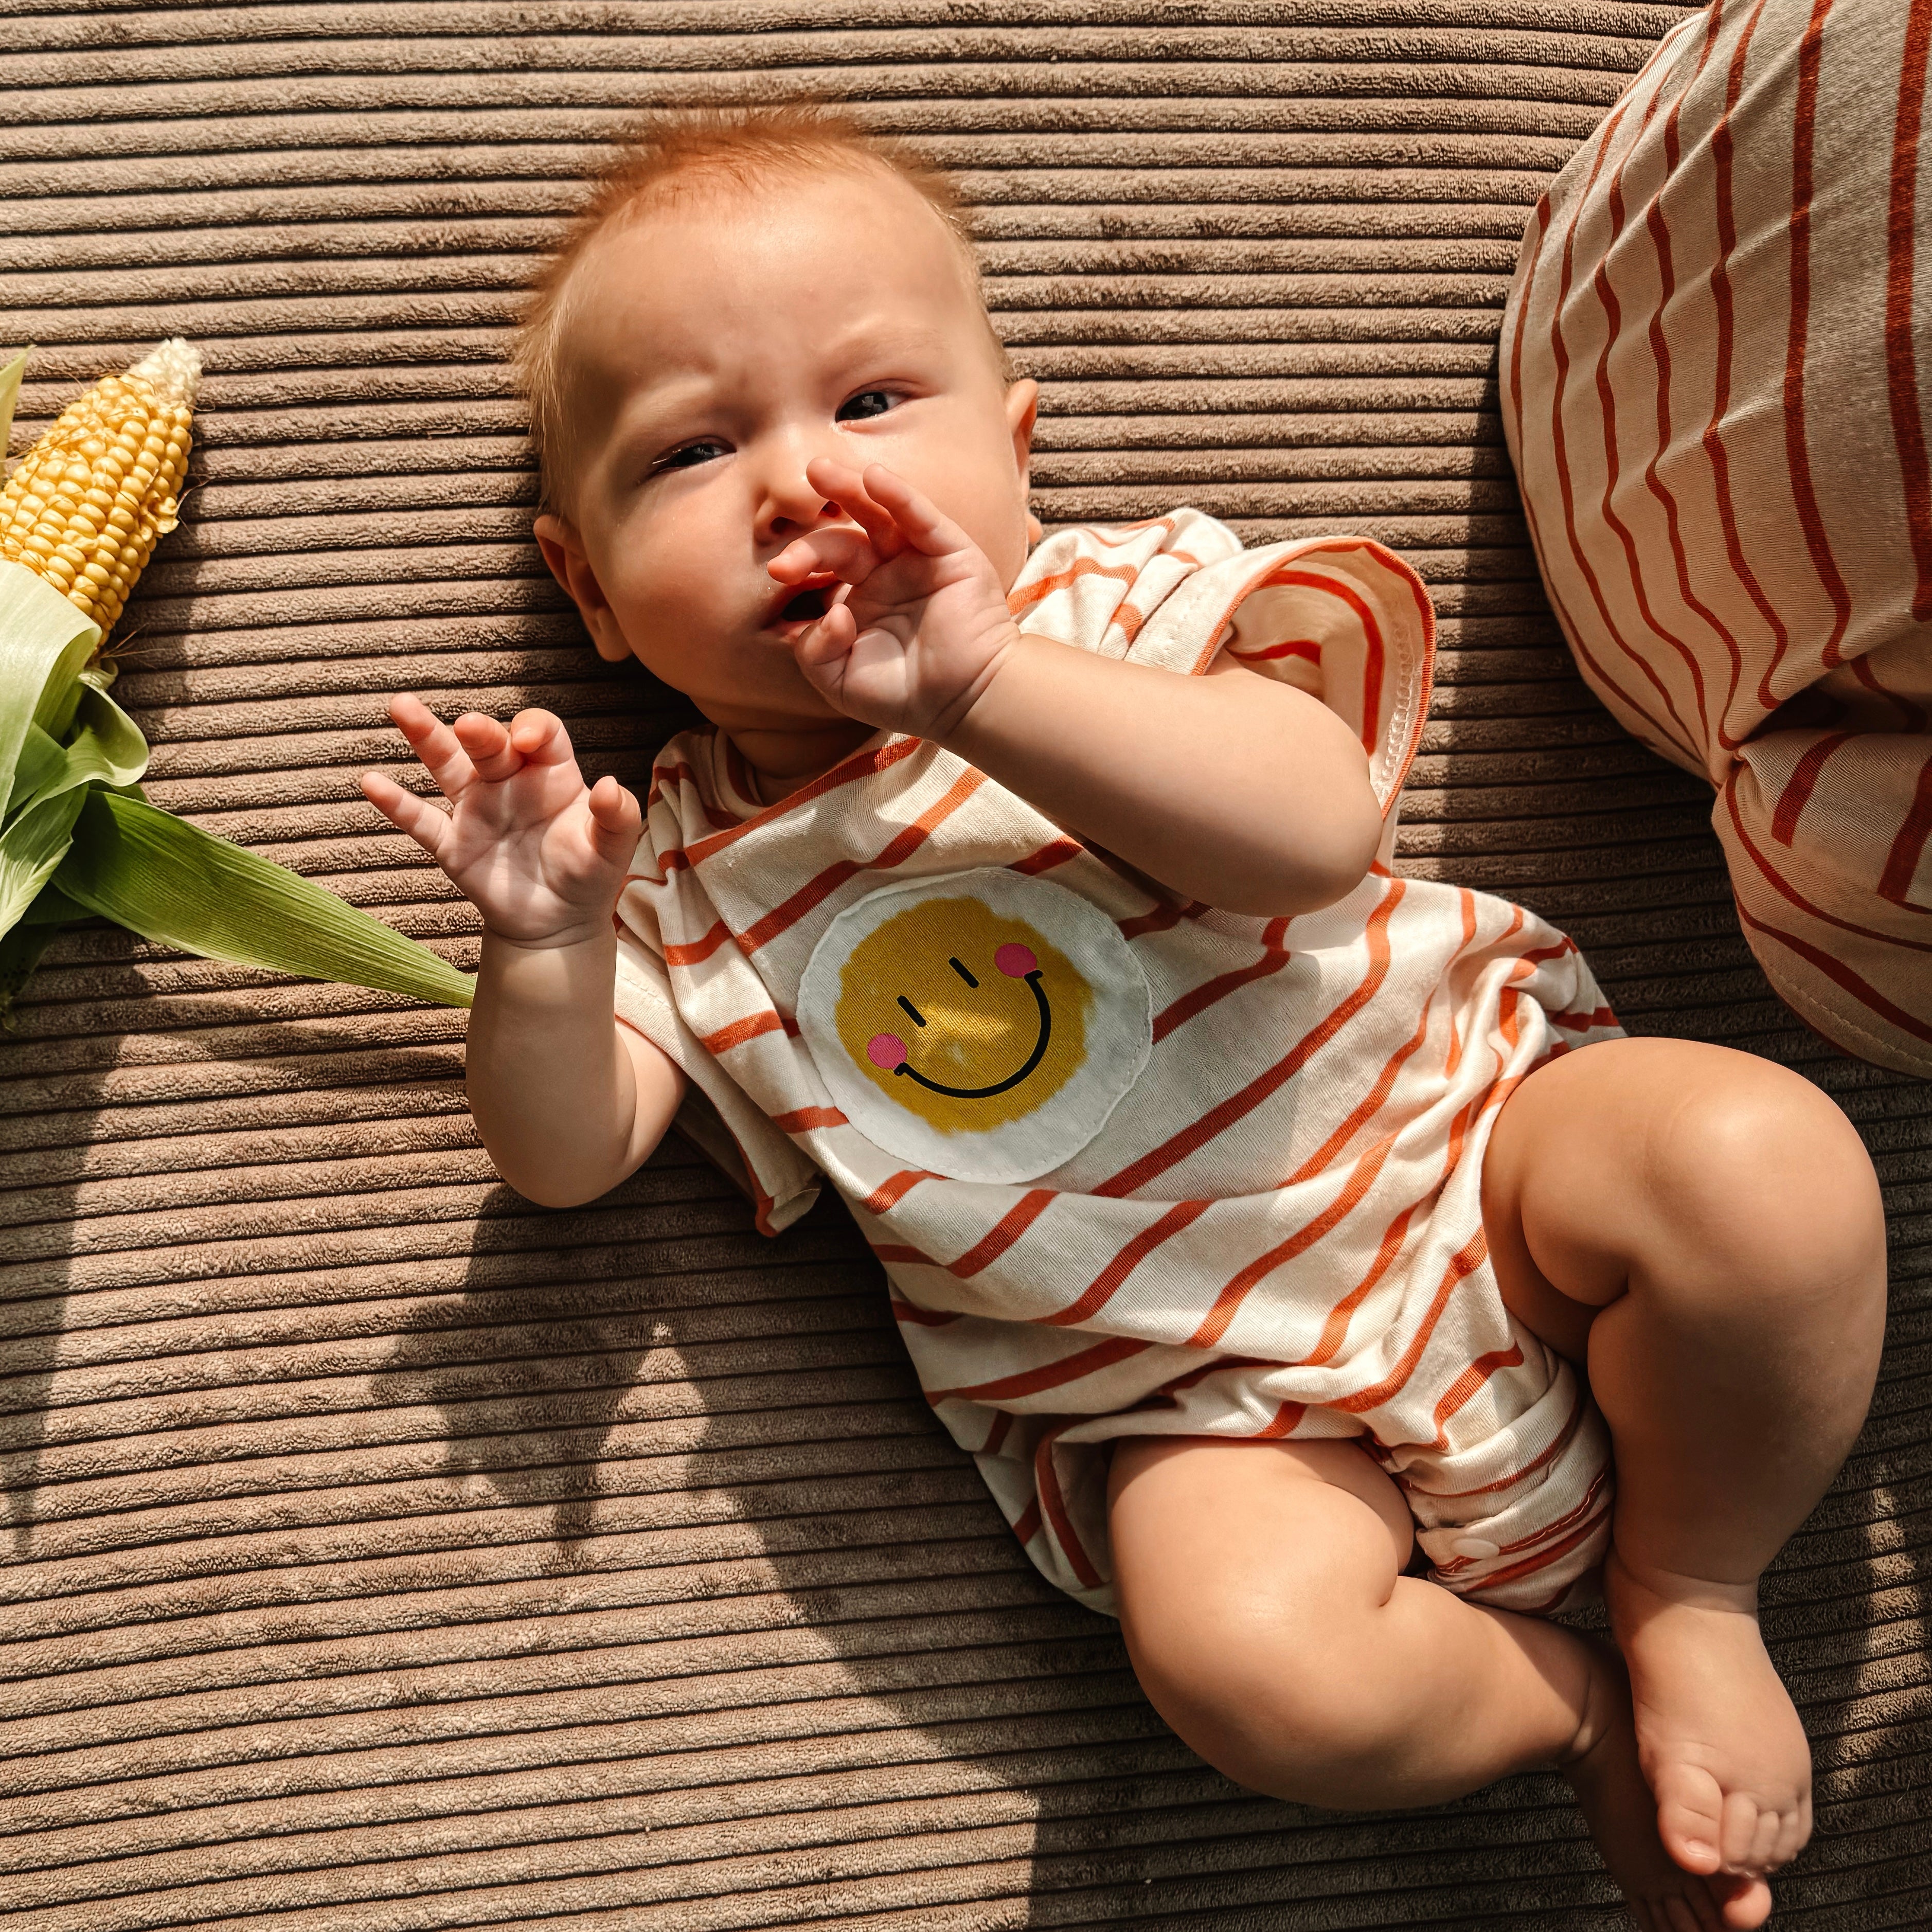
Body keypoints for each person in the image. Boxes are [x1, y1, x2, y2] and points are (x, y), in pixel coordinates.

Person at [360, 103, 1888, 1932]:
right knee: (1249, 1668)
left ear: (1014, 448)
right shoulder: (670, 879)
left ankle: (1689, 1589)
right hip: (1207, 1408)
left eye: (867, 405)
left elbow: (1314, 828)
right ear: (588, 588)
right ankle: (1566, 1716)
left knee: (1761, 1167)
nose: (794, 484)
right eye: (690, 450)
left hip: (1483, 1167)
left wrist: (990, 682)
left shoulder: (1120, 612)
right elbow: (561, 1158)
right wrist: (542, 943)